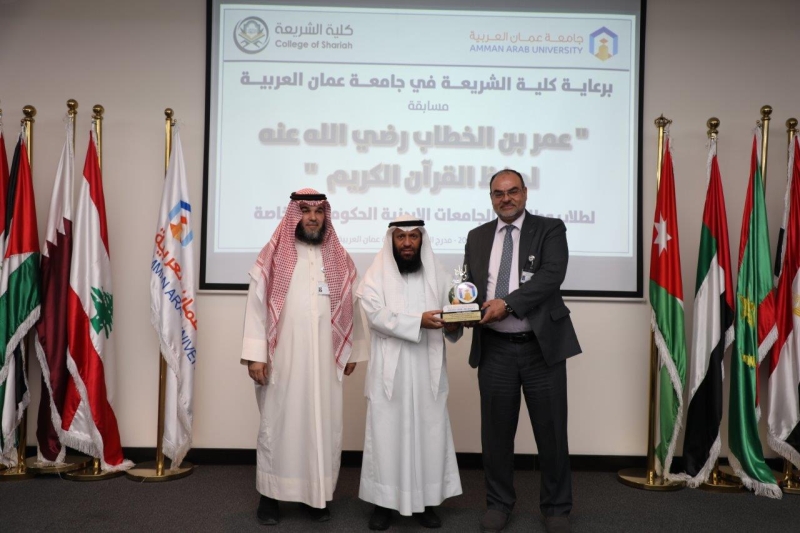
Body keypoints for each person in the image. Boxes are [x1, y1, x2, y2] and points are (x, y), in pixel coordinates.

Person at [462, 169, 581, 533]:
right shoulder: (477, 236)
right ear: (491, 198)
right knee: (496, 434)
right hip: (495, 349)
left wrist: (508, 304)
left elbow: (551, 276)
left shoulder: (550, 229)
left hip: (540, 348)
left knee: (552, 432)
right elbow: (470, 286)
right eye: (498, 193)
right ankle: (499, 503)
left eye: (512, 191)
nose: (506, 199)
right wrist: (460, 311)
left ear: (525, 193)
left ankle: (556, 508)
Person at [240, 188, 368, 525]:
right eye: (306, 211)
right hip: (283, 360)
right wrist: (256, 355)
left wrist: (352, 350)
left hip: (325, 362)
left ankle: (316, 497)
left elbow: (352, 306)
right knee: (277, 424)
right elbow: (256, 308)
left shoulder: (338, 257)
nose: (312, 217)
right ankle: (270, 497)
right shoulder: (274, 256)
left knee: (322, 426)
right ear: (294, 215)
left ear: (326, 216)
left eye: (318, 211)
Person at [357, 216, 463, 530]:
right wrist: (418, 322)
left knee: (429, 434)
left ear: (421, 240)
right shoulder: (376, 274)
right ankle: (383, 503)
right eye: (401, 237)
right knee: (385, 435)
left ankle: (425, 502)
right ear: (391, 239)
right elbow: (375, 315)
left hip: (427, 369)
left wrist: (454, 324)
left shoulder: (439, 274)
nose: (407, 243)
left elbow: (454, 312)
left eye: (413, 237)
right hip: (390, 371)